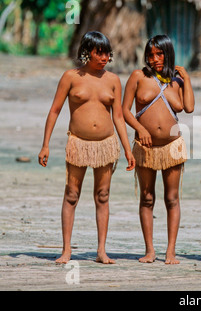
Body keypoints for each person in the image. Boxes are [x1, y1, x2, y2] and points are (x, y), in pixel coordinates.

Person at [38, 31, 136, 264]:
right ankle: (66, 250)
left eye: (106, 53)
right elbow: (54, 110)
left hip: (105, 144)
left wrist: (127, 149)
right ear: (87, 52)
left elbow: (119, 117)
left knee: (102, 196)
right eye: (98, 52)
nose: (103, 57)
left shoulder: (113, 80)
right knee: (71, 195)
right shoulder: (71, 77)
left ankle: (101, 251)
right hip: (78, 144)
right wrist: (45, 145)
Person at [122, 35, 194, 264]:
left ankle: (170, 251)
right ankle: (150, 250)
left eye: (160, 54)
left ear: (168, 53)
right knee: (147, 197)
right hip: (145, 146)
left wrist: (187, 79)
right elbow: (124, 111)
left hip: (172, 147)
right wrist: (140, 129)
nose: (155, 59)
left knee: (172, 198)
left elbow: (189, 108)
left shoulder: (177, 81)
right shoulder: (138, 76)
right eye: (151, 54)